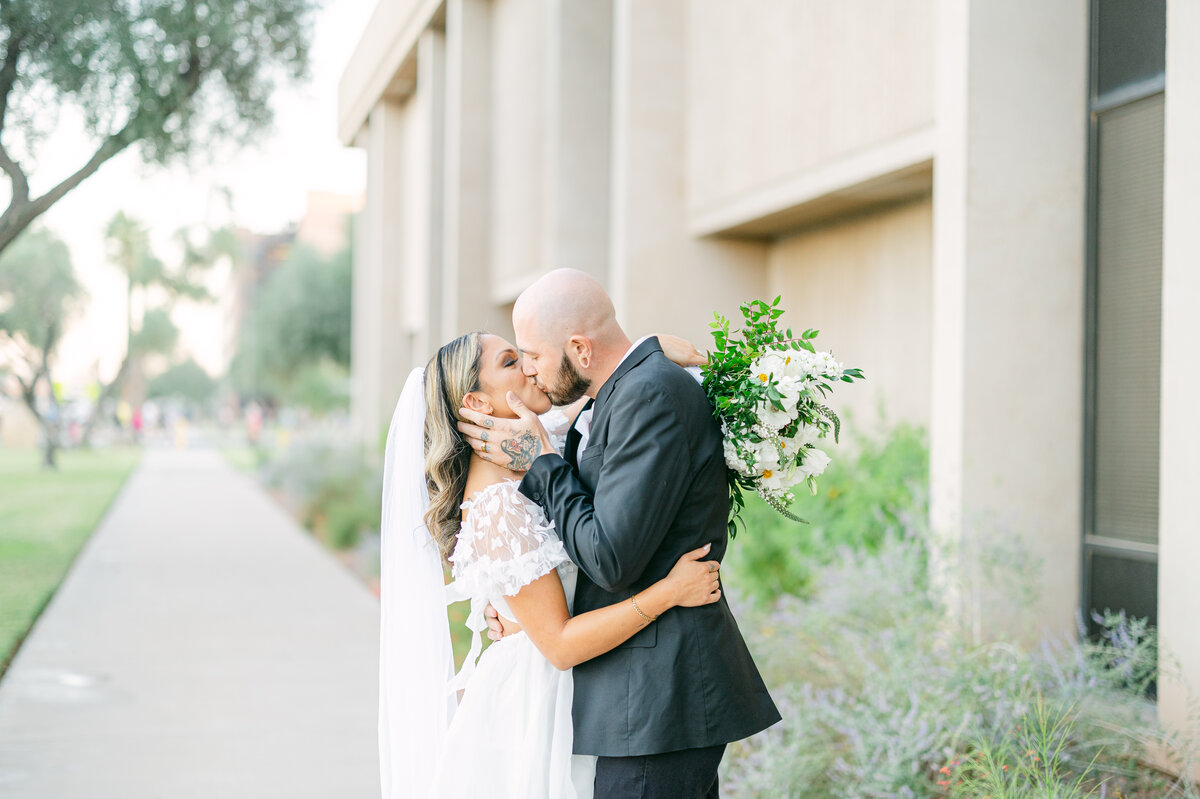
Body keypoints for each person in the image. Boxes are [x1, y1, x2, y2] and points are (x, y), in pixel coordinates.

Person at [456, 269, 782, 799]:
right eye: (517, 361)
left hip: (657, 694)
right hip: (626, 696)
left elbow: (609, 557)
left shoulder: (646, 396)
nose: (533, 373)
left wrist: (542, 464)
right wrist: (525, 623)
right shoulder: (605, 400)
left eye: (531, 356)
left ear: (580, 348)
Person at [379, 332, 724, 799]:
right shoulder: (498, 506)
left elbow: (595, 385)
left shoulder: (540, 442)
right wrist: (669, 591)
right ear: (477, 401)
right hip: (537, 704)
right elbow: (558, 645)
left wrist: (650, 343)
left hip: (584, 687)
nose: (527, 366)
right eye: (509, 361)